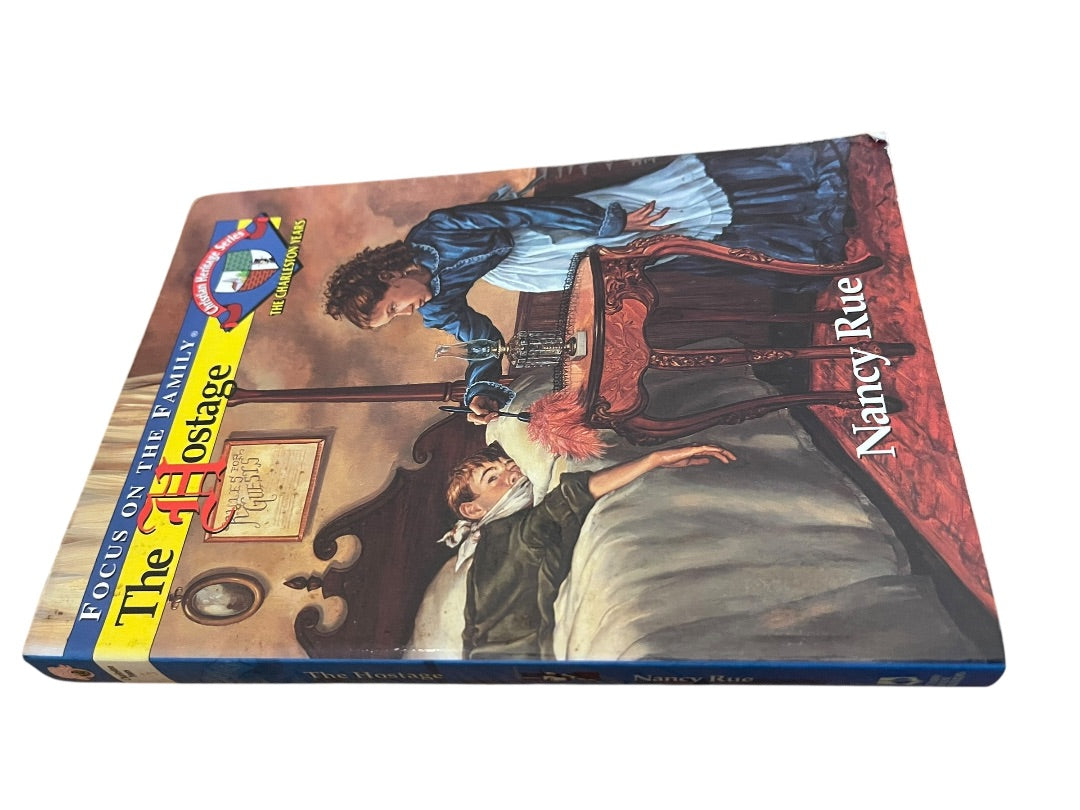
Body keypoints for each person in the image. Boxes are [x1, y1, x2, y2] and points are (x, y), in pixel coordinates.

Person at [324, 138, 854, 424]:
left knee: (664, 214)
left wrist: (611, 223)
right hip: (536, 263)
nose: (406, 314)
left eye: (393, 307)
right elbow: (481, 337)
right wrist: (481, 388)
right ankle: (804, 241)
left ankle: (805, 191)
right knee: (658, 251)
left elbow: (524, 215)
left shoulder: (439, 230)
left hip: (555, 225)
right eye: (394, 319)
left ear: (390, 275)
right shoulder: (438, 305)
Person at [440, 441, 736, 659]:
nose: (512, 474)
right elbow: (567, 499)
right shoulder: (507, 532)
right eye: (492, 478)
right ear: (473, 509)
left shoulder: (487, 540)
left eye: (510, 465)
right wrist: (653, 460)